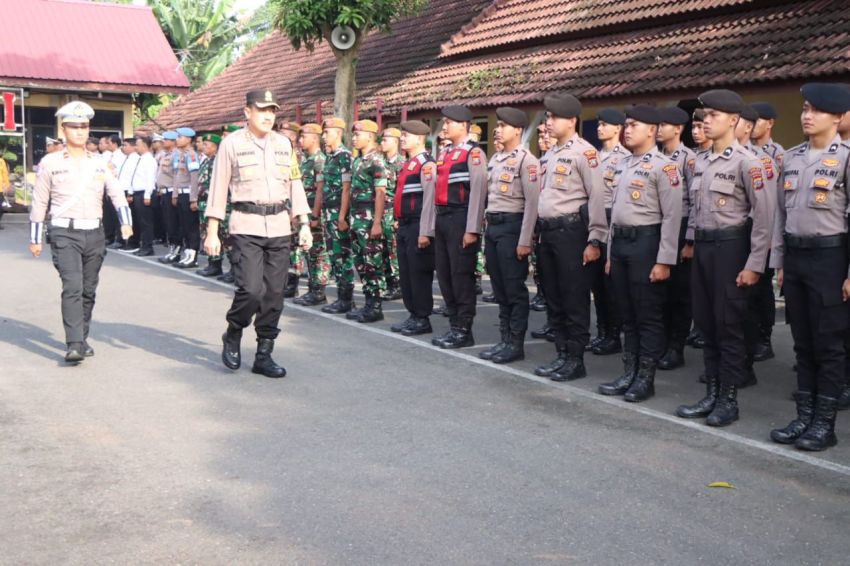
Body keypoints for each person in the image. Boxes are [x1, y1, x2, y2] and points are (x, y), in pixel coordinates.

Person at [676, 89, 774, 427]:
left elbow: (764, 218)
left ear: (734, 120)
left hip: (731, 249)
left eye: (714, 116)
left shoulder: (748, 162)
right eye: (705, 116)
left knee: (728, 325)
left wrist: (755, 264)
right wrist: (690, 243)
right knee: (705, 323)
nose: (706, 121)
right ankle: (713, 392)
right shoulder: (699, 161)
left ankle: (729, 400)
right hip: (703, 248)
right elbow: (693, 211)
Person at [204, 89, 311, 378]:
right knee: (251, 290)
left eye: (272, 110)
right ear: (247, 112)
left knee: (274, 294)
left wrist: (303, 223)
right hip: (245, 226)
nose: (268, 116)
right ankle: (234, 331)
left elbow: (295, 183)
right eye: (262, 110)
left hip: (278, 226)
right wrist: (212, 231)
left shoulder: (284, 144)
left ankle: (264, 353)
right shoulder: (231, 144)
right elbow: (218, 188)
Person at [769, 83, 850, 451]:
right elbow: (780, 216)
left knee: (829, 343)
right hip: (797, 258)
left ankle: (825, 423)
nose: (806, 115)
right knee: (802, 341)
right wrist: (781, 262)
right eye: (804, 108)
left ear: (838, 117)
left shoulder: (847, 157)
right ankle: (804, 415)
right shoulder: (791, 158)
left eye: (816, 110)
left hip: (831, 258)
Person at [28, 101, 133, 362]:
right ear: (64, 130)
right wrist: (35, 237)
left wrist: (125, 222)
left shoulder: (99, 163)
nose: (79, 132)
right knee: (73, 286)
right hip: (64, 232)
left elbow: (117, 193)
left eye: (84, 127)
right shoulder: (50, 162)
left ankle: (82, 337)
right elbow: (40, 200)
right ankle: (73, 343)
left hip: (94, 233)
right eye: (74, 127)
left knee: (88, 289)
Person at [598, 105, 682, 401]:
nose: (627, 129)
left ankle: (645, 378)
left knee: (647, 314)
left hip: (646, 244)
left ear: (652, 130)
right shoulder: (622, 164)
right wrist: (609, 254)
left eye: (634, 125)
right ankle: (629, 372)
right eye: (627, 124)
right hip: (620, 244)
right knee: (627, 314)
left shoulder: (664, 167)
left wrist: (664, 260)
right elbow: (616, 214)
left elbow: (673, 217)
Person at [533, 93, 607, 381]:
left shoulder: (585, 153)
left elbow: (597, 197)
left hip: (572, 232)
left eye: (553, 117)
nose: (548, 122)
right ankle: (562, 354)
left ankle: (576, 358)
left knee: (573, 297)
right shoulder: (549, 154)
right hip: (548, 233)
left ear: (572, 121)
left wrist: (595, 239)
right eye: (548, 117)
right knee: (554, 297)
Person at [478, 107, 540, 364]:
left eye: (503, 126)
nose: (498, 130)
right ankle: (504, 339)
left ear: (518, 130)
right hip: (493, 227)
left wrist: (525, 240)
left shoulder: (527, 161)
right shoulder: (496, 159)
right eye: (498, 125)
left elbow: (532, 204)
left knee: (514, 288)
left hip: (513, 227)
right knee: (500, 288)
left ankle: (516, 343)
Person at [430, 105, 488, 349]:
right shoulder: (444, 153)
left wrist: (472, 228)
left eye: (449, 123)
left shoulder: (473, 154)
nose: (445, 127)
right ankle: (454, 325)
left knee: (460, 276)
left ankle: (464, 330)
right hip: (443, 218)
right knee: (444, 275)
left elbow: (478, 192)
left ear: (463, 125)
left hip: (460, 217)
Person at [657, 106, 697, 371]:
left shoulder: (688, 159)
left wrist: (690, 239)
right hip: (659, 225)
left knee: (680, 292)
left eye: (664, 125)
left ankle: (676, 347)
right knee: (660, 290)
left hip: (681, 226)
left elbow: (696, 201)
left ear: (678, 129)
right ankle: (661, 342)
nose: (659, 129)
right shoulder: (655, 157)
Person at [589, 108, 629, 355]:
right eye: (599, 124)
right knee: (596, 283)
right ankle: (603, 331)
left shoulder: (623, 157)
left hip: (612, 218)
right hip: (595, 219)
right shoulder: (593, 155)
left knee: (610, 282)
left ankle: (613, 334)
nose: (600, 128)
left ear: (618, 128)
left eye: (605, 125)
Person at [391, 120, 437, 336]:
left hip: (419, 224)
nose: (402, 138)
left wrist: (426, 231)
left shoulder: (426, 164)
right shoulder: (409, 164)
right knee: (407, 273)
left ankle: (422, 317)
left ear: (419, 138)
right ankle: (413, 314)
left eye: (406, 135)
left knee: (419, 273)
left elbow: (429, 199)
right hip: (406, 224)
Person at [748, 101, 786, 362]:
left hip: (768, 228)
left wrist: (774, 237)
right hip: (747, 229)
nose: (752, 126)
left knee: (762, 288)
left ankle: (764, 337)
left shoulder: (777, 155)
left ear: (770, 123)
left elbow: (777, 201)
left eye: (758, 120)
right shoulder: (744, 152)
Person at [344, 120, 389, 323]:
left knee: (373, 263)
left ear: (370, 136)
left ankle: (376, 306)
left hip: (369, 219)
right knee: (361, 263)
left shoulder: (377, 161)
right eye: (353, 135)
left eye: (357, 134)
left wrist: (377, 222)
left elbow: (381, 193)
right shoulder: (357, 160)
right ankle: (368, 303)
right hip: (357, 220)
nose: (353, 138)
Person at [320, 117, 357, 314]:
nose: (324, 137)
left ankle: (347, 299)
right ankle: (341, 297)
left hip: (338, 214)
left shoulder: (344, 157)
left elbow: (346, 189)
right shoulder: (330, 157)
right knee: (334, 255)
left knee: (343, 255)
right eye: (324, 133)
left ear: (338, 133)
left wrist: (342, 216)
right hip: (329, 213)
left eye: (327, 133)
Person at [292, 123, 332, 306]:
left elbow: (320, 191)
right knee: (310, 252)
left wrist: (315, 216)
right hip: (305, 213)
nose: (300, 140)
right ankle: (312, 288)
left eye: (304, 137)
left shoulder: (319, 160)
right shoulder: (307, 160)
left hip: (314, 214)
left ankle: (318, 291)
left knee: (318, 253)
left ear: (315, 138)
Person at [197, 133, 227, 277]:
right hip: (204, 203)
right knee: (206, 233)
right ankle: (213, 264)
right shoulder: (206, 161)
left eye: (207, 145)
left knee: (221, 236)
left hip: (213, 202)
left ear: (215, 147)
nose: (203, 147)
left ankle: (221, 266)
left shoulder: (217, 161)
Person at [172, 127, 201, 268]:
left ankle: (193, 256)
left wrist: (194, 198)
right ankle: (187, 254)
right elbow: (177, 177)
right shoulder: (181, 155)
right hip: (182, 194)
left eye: (180, 137)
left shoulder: (192, 155)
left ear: (189, 139)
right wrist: (175, 194)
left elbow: (194, 178)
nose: (177, 139)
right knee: (184, 226)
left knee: (191, 227)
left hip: (189, 194)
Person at [380, 126, 404, 300]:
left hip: (392, 212)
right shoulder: (380, 161)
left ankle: (397, 285)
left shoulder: (401, 164)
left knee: (393, 250)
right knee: (381, 250)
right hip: (380, 211)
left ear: (395, 142)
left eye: (385, 139)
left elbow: (401, 192)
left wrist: (398, 217)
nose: (382, 142)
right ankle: (388, 283)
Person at [157, 131, 182, 264]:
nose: (163, 142)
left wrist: (175, 194)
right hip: (164, 192)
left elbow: (178, 176)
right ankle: (172, 249)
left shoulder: (176, 155)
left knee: (173, 223)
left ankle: (176, 251)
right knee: (168, 223)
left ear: (173, 141)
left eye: (166, 140)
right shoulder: (165, 155)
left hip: (172, 192)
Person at [131, 135, 158, 256]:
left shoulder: (149, 160)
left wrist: (147, 195)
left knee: (146, 222)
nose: (136, 147)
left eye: (137, 144)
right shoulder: (140, 159)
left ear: (145, 145)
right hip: (138, 193)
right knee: (141, 222)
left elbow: (150, 179)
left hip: (145, 194)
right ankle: (143, 245)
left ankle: (148, 247)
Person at [115, 136, 140, 252]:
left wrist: (129, 193)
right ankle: (125, 241)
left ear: (133, 147)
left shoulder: (135, 159)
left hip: (129, 190)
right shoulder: (127, 158)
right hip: (122, 189)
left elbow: (132, 178)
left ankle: (132, 242)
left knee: (131, 218)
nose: (123, 148)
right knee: (122, 217)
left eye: (125, 145)